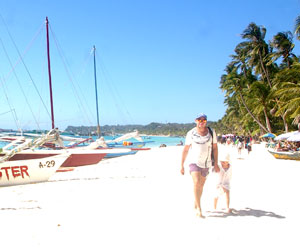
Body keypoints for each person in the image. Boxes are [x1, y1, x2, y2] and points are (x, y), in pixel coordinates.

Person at [180, 113, 219, 218]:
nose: (202, 122)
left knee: (201, 185)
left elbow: (215, 148)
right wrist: (181, 165)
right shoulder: (191, 133)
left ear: (206, 121)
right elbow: (186, 149)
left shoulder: (212, 132)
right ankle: (199, 209)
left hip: (207, 162)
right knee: (197, 183)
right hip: (194, 162)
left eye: (204, 120)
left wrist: (216, 163)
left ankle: (196, 202)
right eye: (199, 120)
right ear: (196, 121)